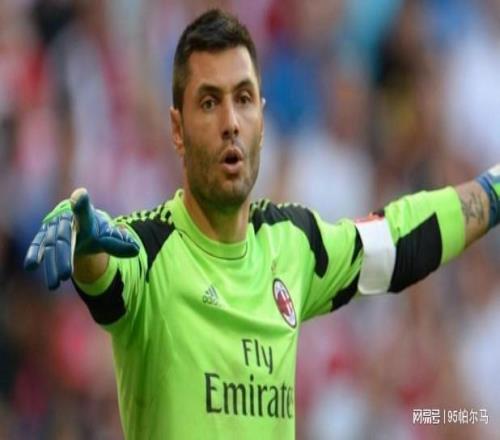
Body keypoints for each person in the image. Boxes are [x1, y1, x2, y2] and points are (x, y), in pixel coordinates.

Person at [24, 9, 499, 440]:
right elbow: (103, 271)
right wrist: (80, 237)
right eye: (209, 103)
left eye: (244, 99)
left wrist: (494, 191)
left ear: (263, 122)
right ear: (177, 130)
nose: (231, 121)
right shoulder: (149, 250)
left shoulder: (292, 244)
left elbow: (400, 238)